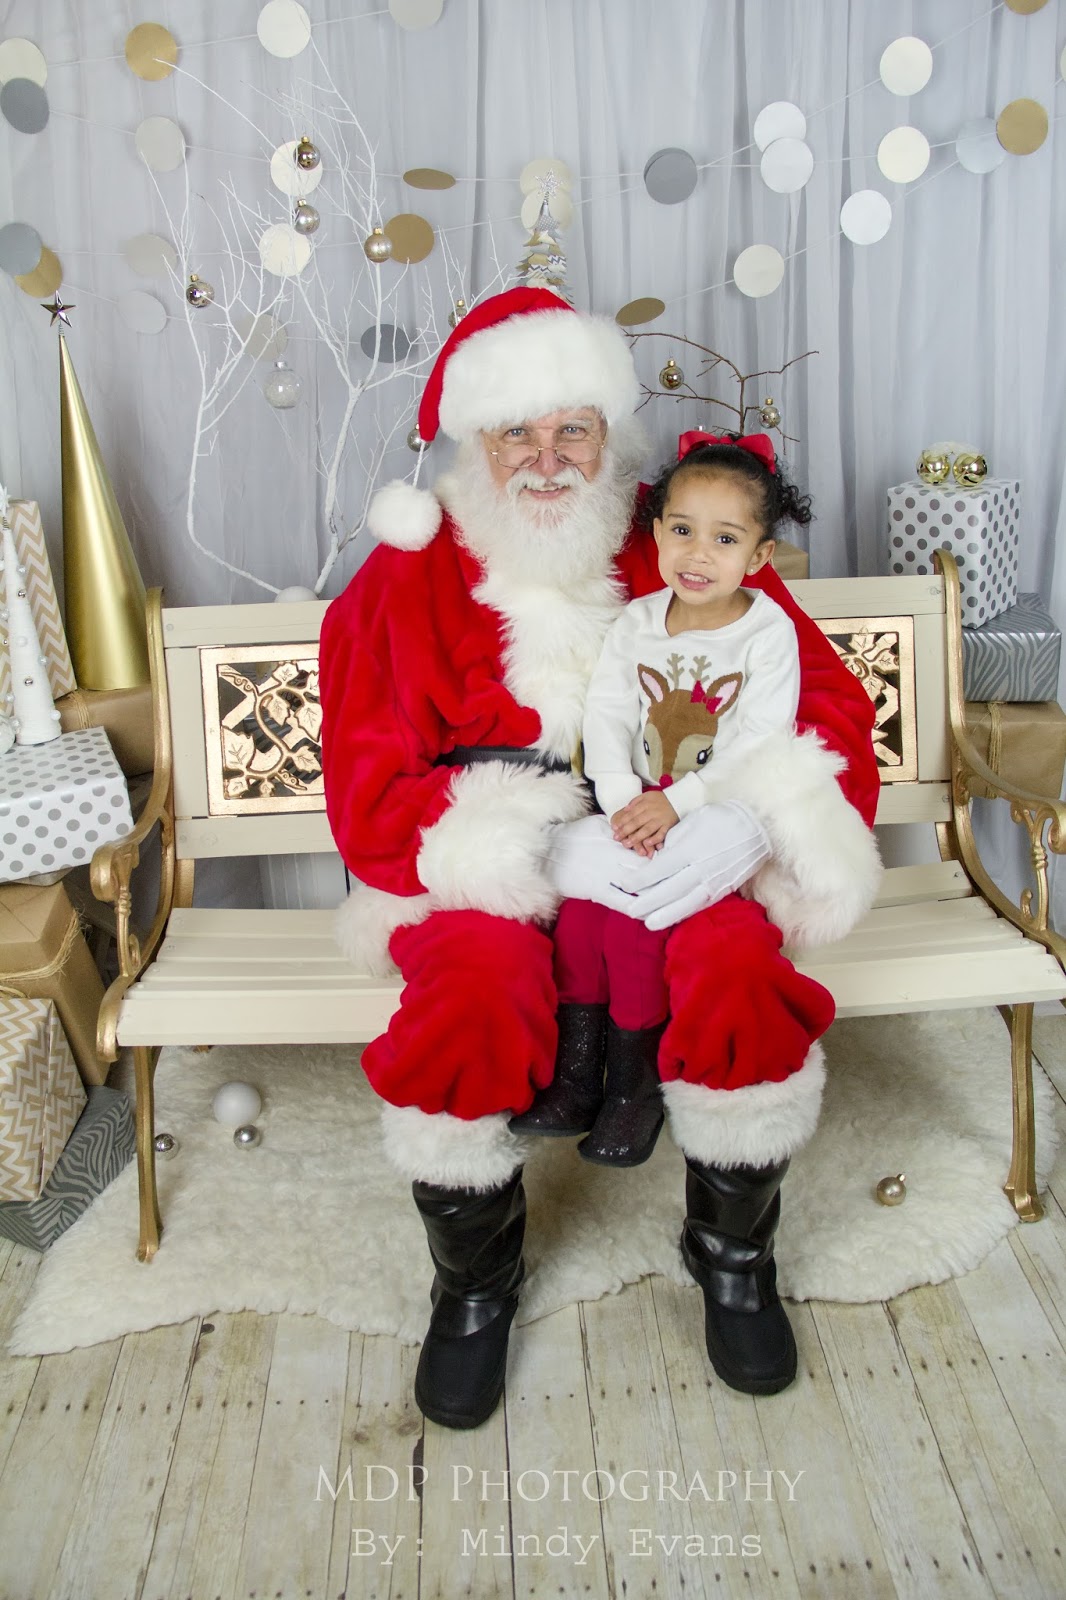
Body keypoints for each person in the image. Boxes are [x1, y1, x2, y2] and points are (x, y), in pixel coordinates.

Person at [319, 286, 881, 1429]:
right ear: (475, 441)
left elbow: (816, 696)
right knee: (468, 999)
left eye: (571, 428)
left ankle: (731, 1254)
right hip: (484, 861)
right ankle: (475, 1283)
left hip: (678, 831)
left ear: (607, 431)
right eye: (515, 432)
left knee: (738, 972)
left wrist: (749, 821)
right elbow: (367, 791)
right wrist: (524, 837)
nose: (545, 458)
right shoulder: (407, 574)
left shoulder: (678, 540)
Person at [512, 430, 825, 1176]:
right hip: (633, 804)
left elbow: (758, 740)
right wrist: (623, 797)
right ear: (655, 534)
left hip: (715, 810)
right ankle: (578, 1075)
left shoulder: (766, 633)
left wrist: (678, 805)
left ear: (759, 557)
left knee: (639, 925)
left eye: (725, 539)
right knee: (581, 919)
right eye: (682, 530)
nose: (697, 554)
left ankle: (634, 1086)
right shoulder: (638, 621)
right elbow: (608, 714)